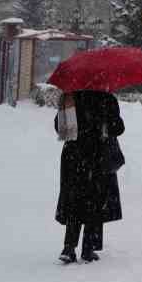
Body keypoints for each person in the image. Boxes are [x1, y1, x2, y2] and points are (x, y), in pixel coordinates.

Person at [54, 89, 124, 264]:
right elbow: (118, 128)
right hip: (98, 156)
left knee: (74, 200)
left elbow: (59, 126)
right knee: (95, 201)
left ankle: (69, 247)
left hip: (73, 158)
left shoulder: (70, 97)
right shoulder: (107, 98)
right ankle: (88, 247)